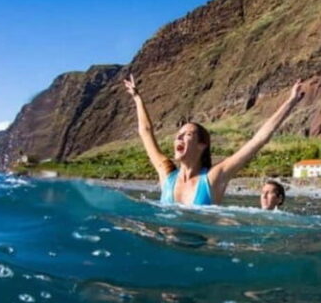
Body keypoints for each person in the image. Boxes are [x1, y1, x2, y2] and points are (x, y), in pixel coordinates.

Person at [123, 75, 304, 206]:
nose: (179, 137)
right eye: (178, 134)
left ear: (202, 145)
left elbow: (259, 140)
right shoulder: (166, 175)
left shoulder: (213, 178)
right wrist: (137, 98)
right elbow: (146, 132)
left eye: (187, 134)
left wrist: (291, 101)